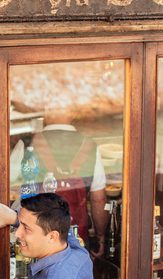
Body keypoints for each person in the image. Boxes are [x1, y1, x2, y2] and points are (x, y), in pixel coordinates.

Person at [10, 104, 108, 257]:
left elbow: (6, 184)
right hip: (76, 237)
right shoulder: (91, 146)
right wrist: (101, 238)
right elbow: (98, 199)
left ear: (47, 111)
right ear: (74, 112)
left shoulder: (27, 143)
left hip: (34, 239)